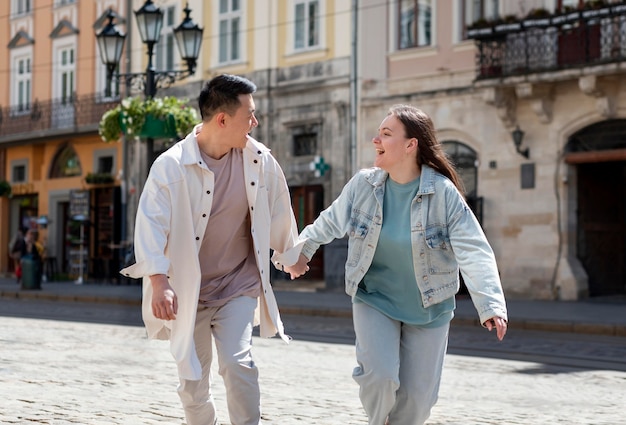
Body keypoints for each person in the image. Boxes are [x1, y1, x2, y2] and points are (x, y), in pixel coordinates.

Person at [284, 104, 508, 425]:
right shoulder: (364, 185)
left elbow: (474, 249)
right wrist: (300, 252)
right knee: (380, 378)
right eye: (378, 133)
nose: (376, 139)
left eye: (386, 134)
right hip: (374, 298)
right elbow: (329, 222)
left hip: (429, 307)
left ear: (410, 145)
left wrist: (491, 305)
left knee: (417, 403)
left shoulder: (443, 194)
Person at [120, 74, 303, 425]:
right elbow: (151, 225)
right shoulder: (170, 166)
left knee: (239, 364)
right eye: (249, 114)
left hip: (237, 285)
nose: (255, 122)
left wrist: (289, 255)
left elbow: (280, 209)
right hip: (190, 291)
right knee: (192, 386)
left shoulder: (259, 160)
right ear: (222, 119)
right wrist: (159, 281)